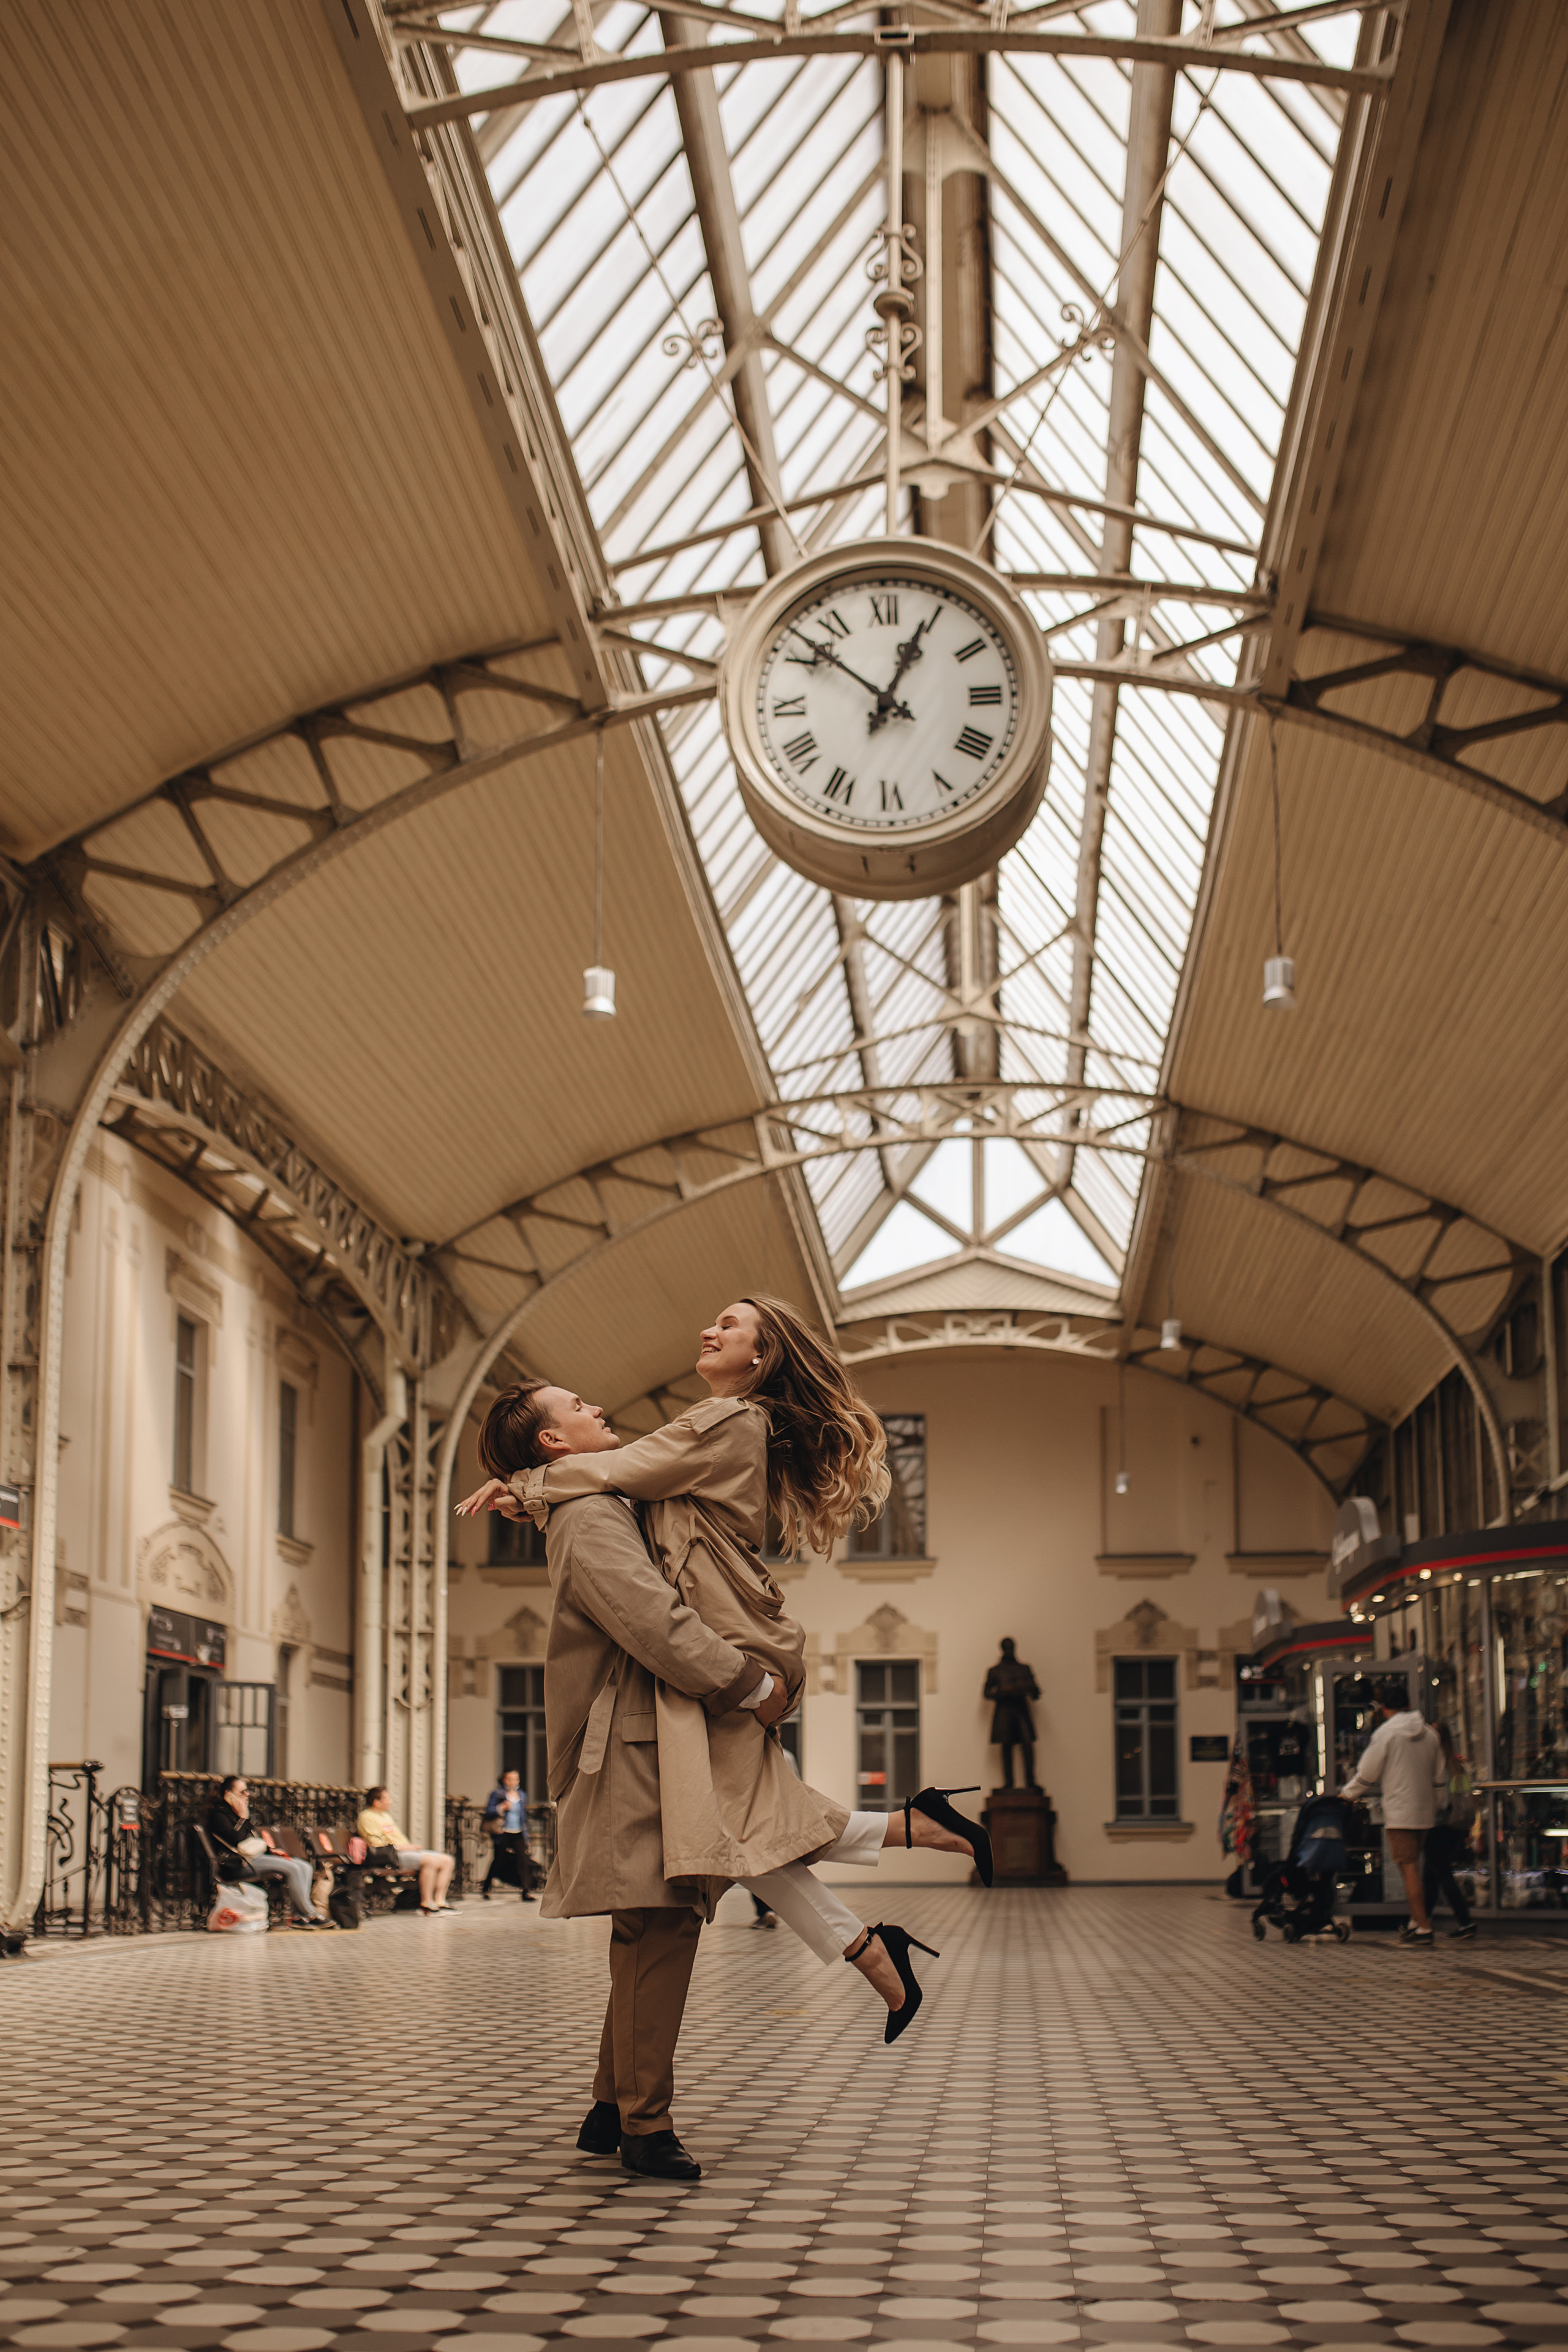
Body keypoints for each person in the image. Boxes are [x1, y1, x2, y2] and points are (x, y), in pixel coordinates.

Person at [458, 1297, 989, 2031]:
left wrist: (525, 1486)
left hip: (730, 1644)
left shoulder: (727, 1420)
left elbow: (620, 1468)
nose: (708, 1329)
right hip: (733, 1637)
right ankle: (897, 1870)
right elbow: (616, 1476)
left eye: (731, 1326)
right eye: (712, 1319)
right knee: (744, 1821)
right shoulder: (713, 1424)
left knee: (735, 1824)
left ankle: (884, 1911)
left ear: (761, 1358)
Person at [1341, 1678, 1447, 1945]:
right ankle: (1415, 1920)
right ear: (1409, 1705)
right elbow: (1439, 1777)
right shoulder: (1431, 1734)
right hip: (1425, 1811)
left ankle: (1423, 1926)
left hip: (1400, 1811)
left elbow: (1367, 1772)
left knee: (1408, 1867)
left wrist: (1347, 1795)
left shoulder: (1386, 1734)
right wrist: (1437, 1804)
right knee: (1415, 1866)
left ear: (1385, 1708)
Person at [204, 1774, 328, 1928]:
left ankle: (298, 1916)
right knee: (293, 1868)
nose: (247, 1795)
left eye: (247, 1791)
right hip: (236, 1864)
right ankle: (311, 1913)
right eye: (242, 1792)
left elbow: (252, 1840)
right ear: (228, 1794)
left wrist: (271, 1850)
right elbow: (237, 1840)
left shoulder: (236, 1813)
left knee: (305, 1866)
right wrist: (243, 1817)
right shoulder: (219, 1814)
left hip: (252, 1859)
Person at [357, 1785, 456, 1915]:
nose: (390, 1801)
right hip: (390, 1855)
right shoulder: (366, 1816)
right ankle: (427, 1903)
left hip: (404, 1851)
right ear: (377, 1801)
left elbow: (398, 1837)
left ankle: (440, 1901)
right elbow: (377, 1843)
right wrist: (404, 1847)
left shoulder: (385, 1816)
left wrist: (410, 1847)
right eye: (387, 1798)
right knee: (429, 1861)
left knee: (447, 1860)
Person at [1423, 1719, 1477, 1939]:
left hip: (1439, 1826)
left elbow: (1442, 1801)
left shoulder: (1437, 1765)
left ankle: (1465, 1921)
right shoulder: (1457, 1766)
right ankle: (1420, 1922)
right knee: (1430, 1876)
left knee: (1442, 1875)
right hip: (1455, 1827)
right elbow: (1464, 1798)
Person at [482, 1769, 532, 1902]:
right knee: (498, 1860)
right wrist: (501, 1807)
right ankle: (486, 1887)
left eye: (515, 1779)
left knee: (523, 1861)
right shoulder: (497, 1794)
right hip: (502, 1832)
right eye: (510, 1779)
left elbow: (523, 1816)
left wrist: (526, 1834)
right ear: (504, 1780)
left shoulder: (522, 1795)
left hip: (518, 1832)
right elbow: (489, 1811)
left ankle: (525, 1891)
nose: (513, 1782)